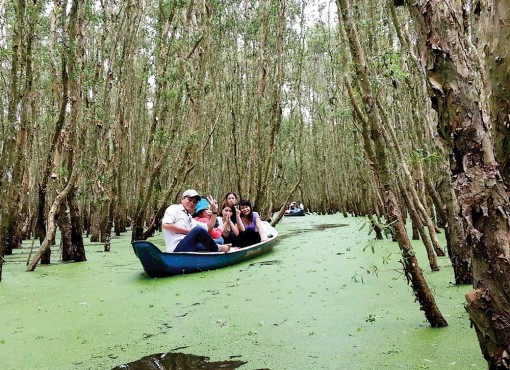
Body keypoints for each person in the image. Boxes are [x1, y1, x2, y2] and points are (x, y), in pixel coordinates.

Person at [161, 189, 230, 253]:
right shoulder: (174, 208)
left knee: (213, 242)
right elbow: (166, 225)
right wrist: (188, 231)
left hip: (189, 246)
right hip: (176, 249)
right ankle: (217, 248)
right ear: (182, 199)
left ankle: (218, 247)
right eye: (189, 200)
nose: (192, 203)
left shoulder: (189, 217)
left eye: (194, 202)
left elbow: (209, 228)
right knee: (198, 230)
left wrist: (214, 211)